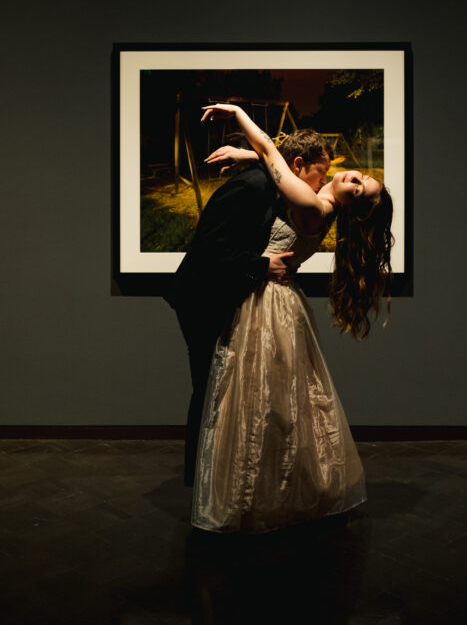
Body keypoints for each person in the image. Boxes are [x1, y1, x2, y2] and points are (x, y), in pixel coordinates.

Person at [191, 102, 393, 532]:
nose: (351, 177)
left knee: (259, 399)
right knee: (276, 401)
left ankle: (255, 494)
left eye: (359, 187)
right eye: (360, 177)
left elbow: (270, 150)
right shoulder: (315, 202)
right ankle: (275, 487)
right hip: (277, 298)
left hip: (267, 301)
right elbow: (281, 164)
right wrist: (249, 156)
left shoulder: (314, 209)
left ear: (351, 203)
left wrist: (239, 113)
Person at [163, 125, 332, 487]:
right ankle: (200, 483)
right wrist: (261, 266)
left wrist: (251, 153)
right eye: (322, 175)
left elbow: (276, 161)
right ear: (300, 164)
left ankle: (221, 478)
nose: (320, 185)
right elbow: (208, 248)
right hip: (201, 297)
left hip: (223, 292)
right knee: (209, 388)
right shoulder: (253, 186)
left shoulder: (272, 182)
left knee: (223, 388)